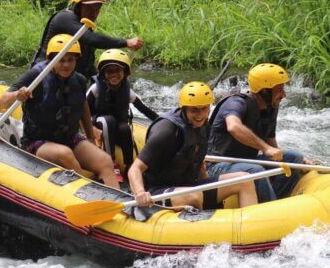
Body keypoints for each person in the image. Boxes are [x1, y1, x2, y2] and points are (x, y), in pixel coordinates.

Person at [0, 34, 120, 189]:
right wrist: (18, 95)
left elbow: (83, 107)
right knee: (65, 154)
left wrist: (90, 137)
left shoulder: (79, 80)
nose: (66, 65)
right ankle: (91, 194)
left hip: (69, 138)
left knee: (104, 160)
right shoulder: (36, 75)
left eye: (70, 60)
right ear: (51, 60)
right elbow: (2, 102)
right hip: (38, 143)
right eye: (61, 60)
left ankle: (118, 206)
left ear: (77, 60)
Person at [128, 81, 258, 209]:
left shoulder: (205, 127)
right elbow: (135, 169)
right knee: (194, 196)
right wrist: (140, 193)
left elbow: (199, 166)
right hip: (157, 191)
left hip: (188, 186)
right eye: (194, 110)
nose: (200, 115)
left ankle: (251, 227)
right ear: (184, 109)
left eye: (204, 109)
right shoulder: (166, 131)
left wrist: (212, 192)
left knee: (244, 179)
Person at [206, 63, 308, 200]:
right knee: (255, 171)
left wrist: (299, 161)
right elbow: (233, 127)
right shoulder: (236, 103)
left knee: (294, 158)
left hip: (247, 161)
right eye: (279, 90)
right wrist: (265, 148)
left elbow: (271, 141)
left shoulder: (271, 107)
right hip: (217, 165)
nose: (283, 95)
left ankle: (279, 200)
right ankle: (271, 208)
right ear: (264, 91)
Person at [31, 0, 144, 79]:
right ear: (78, 6)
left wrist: (105, 79)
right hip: (44, 74)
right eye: (89, 7)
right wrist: (126, 42)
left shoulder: (86, 28)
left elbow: (87, 65)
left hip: (68, 78)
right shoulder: (64, 19)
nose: (94, 12)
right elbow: (92, 39)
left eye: (97, 7)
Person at [87, 49, 159, 181]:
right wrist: (90, 128)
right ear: (103, 74)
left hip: (117, 125)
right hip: (98, 120)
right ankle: (111, 163)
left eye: (117, 71)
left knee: (124, 127)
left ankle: (129, 165)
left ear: (125, 73)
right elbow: (82, 109)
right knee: (108, 120)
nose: (114, 75)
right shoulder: (96, 89)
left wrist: (163, 122)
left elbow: (146, 110)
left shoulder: (128, 92)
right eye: (109, 71)